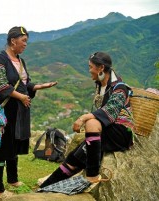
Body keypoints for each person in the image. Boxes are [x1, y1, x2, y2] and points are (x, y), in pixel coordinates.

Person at [39, 52, 135, 189]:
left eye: (91, 67)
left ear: (101, 68)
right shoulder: (100, 85)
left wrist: (83, 118)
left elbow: (109, 113)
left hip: (120, 133)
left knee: (91, 123)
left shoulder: (119, 87)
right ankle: (44, 188)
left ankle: (92, 175)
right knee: (73, 159)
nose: (89, 70)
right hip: (106, 131)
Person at [0, 26, 58, 199]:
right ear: (13, 41)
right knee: (1, 147)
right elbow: (1, 86)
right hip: (5, 111)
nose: (26, 44)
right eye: (24, 40)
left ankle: (12, 179)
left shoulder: (20, 61)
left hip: (19, 111)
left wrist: (38, 87)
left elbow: (25, 84)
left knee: (14, 143)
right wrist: (21, 97)